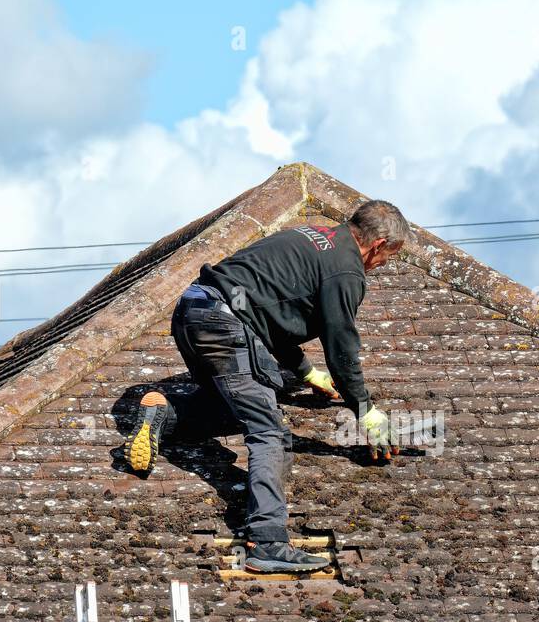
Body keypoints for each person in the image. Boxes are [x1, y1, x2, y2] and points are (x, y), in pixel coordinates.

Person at [123, 199, 411, 573]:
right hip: (225, 324)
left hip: (193, 311)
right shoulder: (346, 271)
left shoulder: (309, 235)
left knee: (237, 408)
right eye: (390, 256)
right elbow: (342, 349)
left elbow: (264, 314)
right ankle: (268, 542)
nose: (384, 265)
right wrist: (367, 412)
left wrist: (307, 374)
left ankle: (168, 416)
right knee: (270, 432)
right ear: (378, 245)